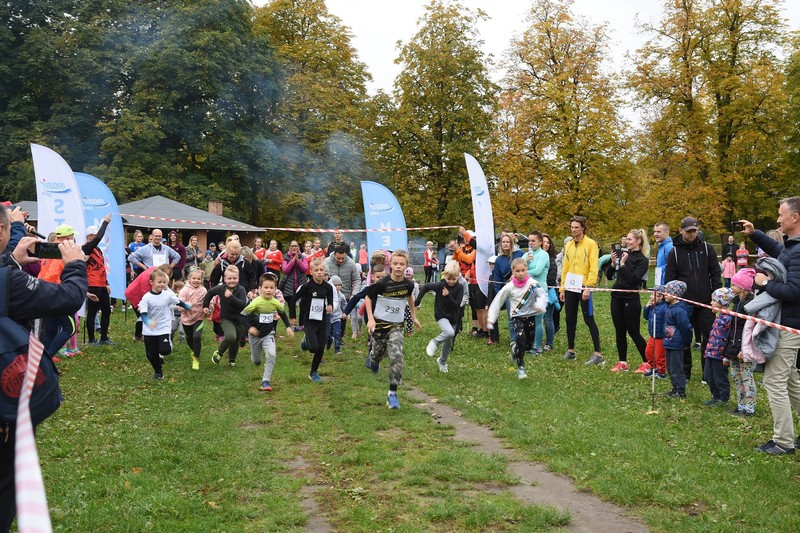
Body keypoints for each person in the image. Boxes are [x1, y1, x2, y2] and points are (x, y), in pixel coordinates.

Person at [0, 206, 88, 532]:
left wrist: (11, 260)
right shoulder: (8, 281)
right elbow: (68, 298)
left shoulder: (7, 274)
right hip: (6, 414)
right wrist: (76, 265)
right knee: (6, 488)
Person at [742, 198, 800, 455]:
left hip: (788, 327)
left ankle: (783, 442)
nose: (778, 219)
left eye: (781, 215)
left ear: (795, 218)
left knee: (774, 381)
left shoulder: (799, 251)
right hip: (787, 324)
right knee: (790, 382)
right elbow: (779, 250)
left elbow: (795, 291)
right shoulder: (792, 247)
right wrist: (755, 234)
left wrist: (765, 283)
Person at [664, 216, 721, 382]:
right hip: (684, 303)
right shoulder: (674, 252)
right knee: (683, 337)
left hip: (705, 302)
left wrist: (716, 295)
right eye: (688, 231)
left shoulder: (707, 248)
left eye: (694, 231)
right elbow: (670, 278)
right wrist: (673, 299)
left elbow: (715, 273)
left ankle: (707, 374)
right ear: (681, 230)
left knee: (709, 336)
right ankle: (685, 373)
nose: (691, 234)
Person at [364, 250, 420, 409]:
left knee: (397, 355)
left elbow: (410, 297)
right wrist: (370, 318)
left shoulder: (408, 284)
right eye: (395, 263)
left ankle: (392, 394)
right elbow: (368, 297)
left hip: (396, 326)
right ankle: (373, 358)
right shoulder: (383, 283)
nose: (398, 267)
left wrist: (414, 316)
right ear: (390, 265)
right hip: (380, 327)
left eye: (402, 264)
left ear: (406, 266)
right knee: (378, 353)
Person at [487, 258, 548, 380]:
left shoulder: (532, 284)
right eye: (518, 271)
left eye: (523, 270)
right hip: (517, 317)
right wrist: (491, 318)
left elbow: (542, 295)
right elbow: (497, 301)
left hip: (530, 316)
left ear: (526, 269)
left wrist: (540, 305)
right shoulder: (509, 287)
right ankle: (521, 367)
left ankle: (515, 350)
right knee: (520, 337)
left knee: (528, 345)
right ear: (513, 271)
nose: (520, 273)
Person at [559, 216, 603, 365]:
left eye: (576, 227)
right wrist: (562, 288)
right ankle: (571, 350)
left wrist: (589, 287)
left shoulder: (591, 244)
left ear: (583, 228)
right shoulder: (569, 245)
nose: (573, 230)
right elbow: (565, 268)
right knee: (569, 318)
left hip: (584, 286)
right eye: (572, 227)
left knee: (588, 318)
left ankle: (598, 354)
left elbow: (593, 267)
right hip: (570, 286)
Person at [607, 229, 650, 373]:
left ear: (638, 241)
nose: (627, 242)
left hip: (631, 299)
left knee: (633, 331)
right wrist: (613, 264)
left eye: (630, 239)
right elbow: (609, 275)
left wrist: (623, 265)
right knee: (619, 331)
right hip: (616, 297)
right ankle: (622, 362)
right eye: (626, 239)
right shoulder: (623, 255)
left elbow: (633, 279)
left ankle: (647, 362)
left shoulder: (642, 260)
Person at [242, 273, 294, 391]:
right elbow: (242, 316)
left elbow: (282, 313)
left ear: (275, 289)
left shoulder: (275, 302)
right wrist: (249, 328)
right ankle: (254, 357)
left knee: (272, 354)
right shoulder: (255, 303)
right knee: (257, 360)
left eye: (272, 288)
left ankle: (266, 381)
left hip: (269, 333)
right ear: (260, 289)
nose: (269, 290)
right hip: (255, 335)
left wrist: (288, 327)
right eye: (266, 287)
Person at [139, 269, 191, 380]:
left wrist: (187, 307)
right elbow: (143, 315)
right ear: (151, 282)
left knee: (164, 350)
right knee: (150, 355)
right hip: (149, 330)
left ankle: (167, 346)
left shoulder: (167, 295)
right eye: (159, 282)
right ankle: (158, 372)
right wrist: (149, 322)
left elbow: (178, 302)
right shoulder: (146, 298)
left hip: (163, 327)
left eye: (164, 282)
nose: (162, 284)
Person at [416, 260, 464, 373]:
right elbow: (426, 286)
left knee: (448, 343)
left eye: (454, 279)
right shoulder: (440, 285)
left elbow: (457, 305)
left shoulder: (460, 288)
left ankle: (442, 361)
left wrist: (447, 296)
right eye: (448, 279)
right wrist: (417, 301)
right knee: (449, 332)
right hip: (441, 315)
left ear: (458, 277)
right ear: (445, 276)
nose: (451, 282)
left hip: (453, 317)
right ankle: (435, 342)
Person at [294, 257, 334, 383]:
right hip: (309, 320)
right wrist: (293, 317)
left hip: (322, 320)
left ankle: (313, 372)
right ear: (311, 272)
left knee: (320, 348)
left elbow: (331, 302)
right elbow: (294, 299)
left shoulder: (328, 287)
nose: (319, 272)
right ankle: (306, 341)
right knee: (313, 348)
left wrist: (330, 307)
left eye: (321, 270)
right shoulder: (306, 287)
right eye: (316, 270)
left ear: (325, 272)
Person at [203, 265, 248, 367]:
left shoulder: (241, 290)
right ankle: (219, 353)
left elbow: (242, 304)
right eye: (229, 278)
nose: (232, 280)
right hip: (226, 319)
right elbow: (210, 292)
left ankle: (232, 360)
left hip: (239, 320)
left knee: (236, 342)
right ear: (224, 279)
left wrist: (231, 297)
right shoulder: (221, 288)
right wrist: (205, 305)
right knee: (231, 336)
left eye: (234, 278)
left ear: (238, 278)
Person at [728, 269, 757, 416]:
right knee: (736, 377)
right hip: (734, 346)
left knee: (746, 378)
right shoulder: (737, 302)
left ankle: (750, 407)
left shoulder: (750, 304)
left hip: (744, 348)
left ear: (744, 286)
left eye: (734, 284)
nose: (732, 287)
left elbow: (749, 330)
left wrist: (744, 349)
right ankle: (741, 405)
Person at [702, 288, 736, 406]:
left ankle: (723, 398)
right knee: (708, 375)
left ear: (722, 302)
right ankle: (715, 396)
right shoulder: (719, 316)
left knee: (720, 377)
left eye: (714, 300)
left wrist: (727, 355)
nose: (711, 303)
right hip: (711, 352)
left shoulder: (729, 318)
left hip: (720, 354)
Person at [84, 215, 114, 346]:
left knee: (106, 311)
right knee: (92, 312)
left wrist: (106, 283)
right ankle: (91, 339)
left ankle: (104, 337)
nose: (94, 237)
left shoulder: (98, 250)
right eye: (92, 235)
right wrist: (105, 222)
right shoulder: (86, 248)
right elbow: (99, 238)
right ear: (88, 237)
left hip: (101, 285)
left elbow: (102, 267)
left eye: (94, 234)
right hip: (92, 285)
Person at [454, 228, 487, 338]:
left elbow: (469, 260)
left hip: (478, 280)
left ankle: (483, 329)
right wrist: (457, 251)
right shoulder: (463, 248)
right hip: (468, 278)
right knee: (474, 305)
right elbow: (456, 259)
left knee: (480, 306)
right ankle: (475, 327)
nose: (466, 240)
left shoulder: (476, 250)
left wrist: (458, 251)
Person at [662, 280, 693, 399]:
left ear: (675, 295)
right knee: (670, 368)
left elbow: (686, 327)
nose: (665, 294)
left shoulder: (679, 310)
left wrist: (686, 342)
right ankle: (674, 388)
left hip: (677, 344)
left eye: (667, 292)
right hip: (669, 342)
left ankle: (680, 391)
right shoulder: (669, 307)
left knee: (676, 368)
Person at [493, 233, 524, 345]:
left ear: (512, 243)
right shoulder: (499, 260)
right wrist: (499, 294)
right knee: (512, 317)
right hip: (508, 291)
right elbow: (496, 279)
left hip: (521, 289)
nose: (505, 244)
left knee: (523, 316)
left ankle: (524, 338)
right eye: (503, 242)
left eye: (507, 242)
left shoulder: (520, 254)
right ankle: (514, 340)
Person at [524, 231, 550, 354]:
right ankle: (529, 344)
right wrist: (527, 262)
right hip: (527, 290)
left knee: (538, 319)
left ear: (540, 242)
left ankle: (537, 346)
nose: (530, 243)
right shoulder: (526, 255)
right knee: (528, 319)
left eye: (533, 241)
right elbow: (518, 269)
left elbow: (538, 270)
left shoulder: (543, 255)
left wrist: (523, 272)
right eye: (529, 240)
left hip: (540, 290)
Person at [178, 268, 208, 370]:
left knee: (196, 337)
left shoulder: (203, 290)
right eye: (194, 278)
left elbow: (208, 302)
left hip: (199, 318)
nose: (196, 280)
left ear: (201, 280)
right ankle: (194, 350)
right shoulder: (184, 291)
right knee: (189, 339)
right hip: (186, 319)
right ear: (189, 279)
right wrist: (191, 303)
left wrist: (208, 309)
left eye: (198, 279)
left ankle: (196, 359)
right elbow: (179, 307)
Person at [281, 240, 308, 330]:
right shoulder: (285, 258)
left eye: (296, 246)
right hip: (289, 286)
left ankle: (301, 324)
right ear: (289, 248)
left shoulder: (303, 257)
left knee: (303, 304)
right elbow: (285, 270)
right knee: (291, 304)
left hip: (301, 285)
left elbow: (305, 269)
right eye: (292, 246)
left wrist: (298, 261)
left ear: (298, 248)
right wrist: (293, 261)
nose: (294, 248)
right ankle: (293, 325)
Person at [642, 286, 668, 379]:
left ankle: (661, 372)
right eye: (651, 294)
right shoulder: (652, 306)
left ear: (661, 297)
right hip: (652, 335)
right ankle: (653, 368)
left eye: (653, 295)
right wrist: (646, 307)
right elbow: (645, 317)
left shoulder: (665, 308)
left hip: (660, 337)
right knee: (648, 352)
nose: (651, 297)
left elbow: (667, 323)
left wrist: (666, 334)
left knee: (659, 356)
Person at [541, 234, 559, 351]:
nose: (546, 244)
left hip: (548, 291)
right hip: (535, 292)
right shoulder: (534, 257)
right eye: (544, 242)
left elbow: (551, 278)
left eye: (548, 242)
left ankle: (549, 343)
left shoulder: (551, 259)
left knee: (548, 318)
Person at [327, 275, 348, 355]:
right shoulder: (328, 294)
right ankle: (329, 341)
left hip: (337, 318)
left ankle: (337, 349)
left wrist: (346, 313)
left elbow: (344, 305)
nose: (337, 287)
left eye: (339, 285)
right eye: (335, 285)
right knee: (327, 334)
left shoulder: (341, 296)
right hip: (328, 317)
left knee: (337, 332)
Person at [653, 222, 673, 286]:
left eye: (658, 232)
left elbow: (672, 267)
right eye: (655, 231)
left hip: (666, 285)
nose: (655, 234)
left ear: (667, 232)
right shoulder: (661, 247)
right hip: (660, 284)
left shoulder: (669, 246)